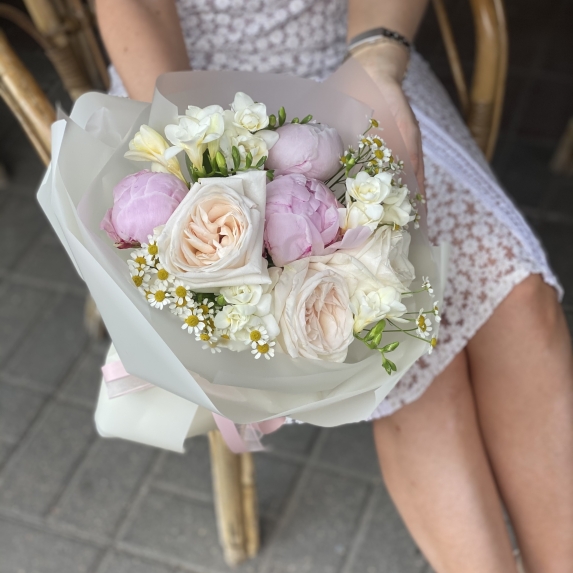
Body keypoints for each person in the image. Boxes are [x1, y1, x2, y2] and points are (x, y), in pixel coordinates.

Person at [95, 1, 573, 571]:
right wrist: (203, 161)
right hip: (192, 103)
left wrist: (378, 55)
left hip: (357, 59)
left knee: (521, 298)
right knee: (411, 349)